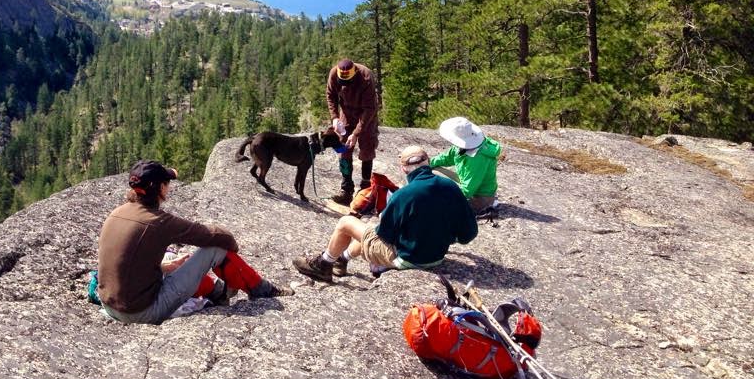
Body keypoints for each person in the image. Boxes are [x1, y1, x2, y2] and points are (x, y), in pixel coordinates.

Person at [97, 159, 291, 324]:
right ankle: (261, 290)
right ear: (160, 188)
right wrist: (233, 246)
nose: (169, 186)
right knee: (215, 250)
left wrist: (165, 267)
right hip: (139, 313)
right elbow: (216, 236)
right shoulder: (158, 222)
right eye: (167, 182)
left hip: (110, 304)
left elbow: (127, 264)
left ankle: (218, 292)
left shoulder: (117, 213)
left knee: (173, 259)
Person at [292, 145, 478, 283]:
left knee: (346, 223)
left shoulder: (404, 195)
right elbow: (468, 234)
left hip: (408, 259)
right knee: (368, 230)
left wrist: (386, 218)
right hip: (436, 257)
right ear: (428, 163)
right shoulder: (451, 187)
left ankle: (323, 265)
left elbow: (384, 235)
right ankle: (341, 260)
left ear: (404, 168)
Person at [326, 58, 380, 205]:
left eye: (348, 82)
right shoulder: (334, 73)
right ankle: (346, 189)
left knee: (367, 149)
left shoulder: (366, 77)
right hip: (346, 113)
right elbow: (331, 95)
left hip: (366, 115)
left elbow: (370, 108)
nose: (345, 85)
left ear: (354, 73)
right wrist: (335, 118)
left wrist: (356, 133)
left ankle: (365, 189)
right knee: (344, 149)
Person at [430, 117, 502, 214]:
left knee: (436, 209)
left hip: (479, 196)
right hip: (468, 185)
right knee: (431, 171)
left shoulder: (477, 158)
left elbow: (467, 190)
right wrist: (428, 163)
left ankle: (486, 205)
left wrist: (443, 200)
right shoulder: (462, 147)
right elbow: (447, 157)